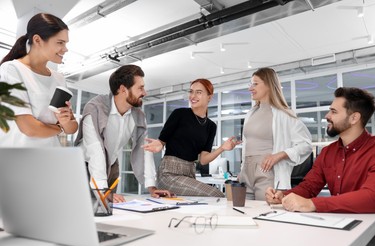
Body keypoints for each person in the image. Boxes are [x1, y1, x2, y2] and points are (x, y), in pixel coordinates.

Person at [265, 87, 375, 246]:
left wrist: (313, 204)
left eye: (333, 111)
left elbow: (373, 199)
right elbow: (309, 187)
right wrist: (284, 195)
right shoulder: (328, 152)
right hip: (336, 225)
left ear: (354, 118)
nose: (326, 116)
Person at [74, 65, 172, 203]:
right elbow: (95, 149)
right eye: (140, 88)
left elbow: (145, 149)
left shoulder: (138, 115)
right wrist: (102, 190)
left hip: (111, 167)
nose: (145, 93)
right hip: (83, 166)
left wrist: (151, 187)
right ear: (123, 89)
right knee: (82, 212)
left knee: (108, 215)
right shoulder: (96, 108)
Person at [143, 78, 240, 197]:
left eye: (198, 92)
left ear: (209, 97)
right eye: (191, 91)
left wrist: (222, 148)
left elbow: (203, 160)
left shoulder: (211, 126)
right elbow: (161, 141)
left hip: (189, 173)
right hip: (169, 174)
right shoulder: (179, 114)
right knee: (216, 194)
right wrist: (158, 144)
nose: (192, 96)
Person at [0, 13, 77, 146]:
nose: (65, 49)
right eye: (60, 42)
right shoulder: (12, 69)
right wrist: (60, 128)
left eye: (66, 43)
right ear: (37, 40)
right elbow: (29, 128)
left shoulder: (59, 78)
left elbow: (72, 128)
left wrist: (65, 122)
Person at [239, 67, 312, 200]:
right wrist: (243, 170)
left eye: (255, 84)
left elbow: (305, 145)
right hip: (246, 173)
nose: (250, 88)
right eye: (250, 84)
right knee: (243, 214)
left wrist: (280, 155)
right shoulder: (250, 114)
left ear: (268, 85)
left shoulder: (285, 115)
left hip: (267, 172)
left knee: (264, 214)